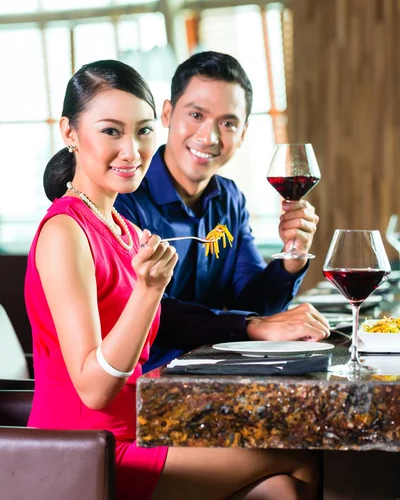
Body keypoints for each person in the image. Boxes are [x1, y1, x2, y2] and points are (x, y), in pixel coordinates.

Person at [25, 59, 320, 500]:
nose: (132, 150)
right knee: (301, 453)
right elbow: (94, 389)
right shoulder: (65, 232)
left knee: (280, 490)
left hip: (140, 428)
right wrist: (149, 291)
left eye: (143, 131)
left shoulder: (122, 229)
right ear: (70, 133)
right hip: (85, 451)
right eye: (111, 131)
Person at [114, 51, 329, 371]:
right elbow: (143, 311)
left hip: (217, 370)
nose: (209, 136)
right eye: (196, 115)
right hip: (145, 382)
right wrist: (251, 327)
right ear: (168, 113)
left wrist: (292, 258)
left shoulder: (230, 198)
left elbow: (252, 305)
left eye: (227, 123)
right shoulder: (124, 196)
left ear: (242, 134)